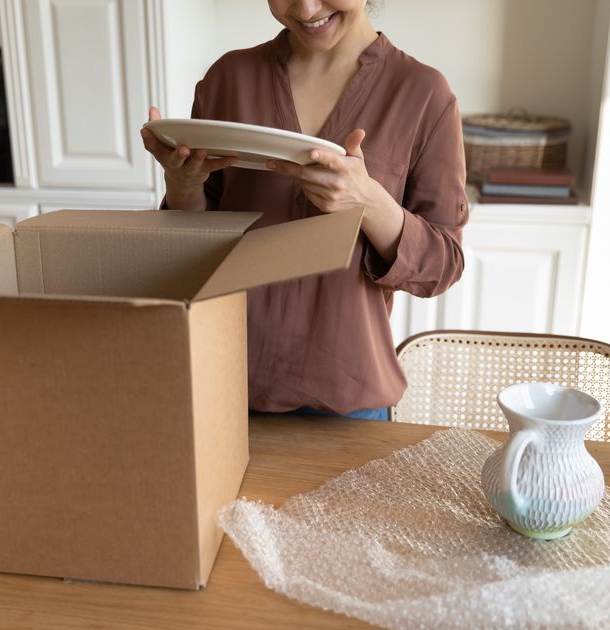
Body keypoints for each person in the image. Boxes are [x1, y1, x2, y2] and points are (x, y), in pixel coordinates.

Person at [140, 0, 467, 421]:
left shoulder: (423, 94)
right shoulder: (229, 79)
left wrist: (367, 200)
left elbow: (442, 265)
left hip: (349, 399)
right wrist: (184, 186)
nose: (307, 7)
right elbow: (193, 249)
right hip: (225, 383)